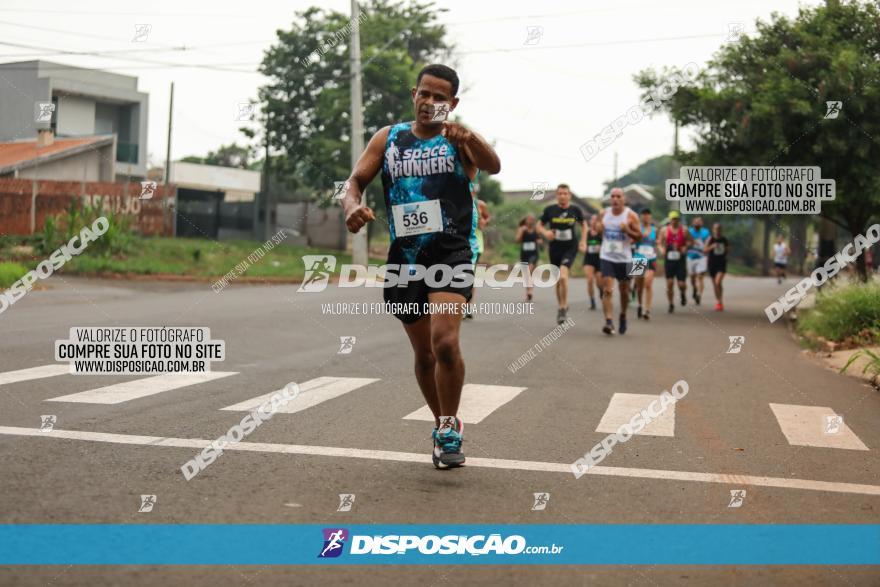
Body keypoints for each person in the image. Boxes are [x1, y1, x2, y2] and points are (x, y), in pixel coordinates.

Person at [342, 63, 501, 469]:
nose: (430, 103)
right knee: (425, 354)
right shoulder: (389, 138)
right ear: (414, 93)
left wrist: (471, 135)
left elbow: (493, 164)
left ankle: (449, 430)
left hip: (452, 252)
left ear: (453, 103)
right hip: (406, 256)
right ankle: (442, 422)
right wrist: (352, 207)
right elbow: (355, 181)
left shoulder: (458, 140)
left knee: (445, 342)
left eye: (440, 98)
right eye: (424, 94)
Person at [539, 184, 587, 324]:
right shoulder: (550, 210)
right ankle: (562, 305)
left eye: (565, 193)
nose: (562, 196)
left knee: (564, 277)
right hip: (555, 248)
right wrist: (545, 232)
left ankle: (562, 307)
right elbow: (539, 225)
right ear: (556, 195)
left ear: (569, 195)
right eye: (560, 193)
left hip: (570, 247)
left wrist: (583, 241)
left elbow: (584, 225)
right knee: (558, 280)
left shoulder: (575, 210)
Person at [597, 188, 642, 335]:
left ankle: (622, 315)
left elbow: (639, 236)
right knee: (607, 289)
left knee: (624, 291)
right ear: (610, 199)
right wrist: (598, 229)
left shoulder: (631, 215)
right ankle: (609, 322)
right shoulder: (604, 214)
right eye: (613, 196)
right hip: (607, 256)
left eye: (618, 196)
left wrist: (627, 230)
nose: (615, 199)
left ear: (624, 199)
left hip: (625, 258)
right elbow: (597, 231)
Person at [658, 210, 691, 313]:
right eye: (672, 219)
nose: (674, 221)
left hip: (680, 259)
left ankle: (682, 294)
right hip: (669, 259)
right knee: (670, 283)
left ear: (679, 220)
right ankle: (671, 304)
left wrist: (686, 247)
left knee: (681, 284)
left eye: (676, 219)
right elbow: (659, 242)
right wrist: (662, 250)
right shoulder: (664, 230)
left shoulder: (684, 230)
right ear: (670, 220)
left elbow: (690, 241)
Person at [463, 197, 490, 320]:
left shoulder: (480, 204)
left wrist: (483, 221)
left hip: (475, 245)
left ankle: (467, 307)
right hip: (458, 243)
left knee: (470, 276)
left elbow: (487, 218)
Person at [633, 208, 657, 321]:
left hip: (651, 258)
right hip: (638, 257)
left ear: (650, 217)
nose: (646, 217)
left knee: (648, 283)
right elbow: (632, 240)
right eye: (644, 215)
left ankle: (647, 310)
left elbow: (658, 243)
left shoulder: (655, 230)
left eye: (648, 215)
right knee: (639, 286)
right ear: (641, 217)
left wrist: (661, 248)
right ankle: (639, 304)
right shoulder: (637, 228)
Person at [516, 214, 542, 302]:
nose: (531, 221)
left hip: (534, 254)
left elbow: (540, 240)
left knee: (529, 271)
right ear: (526, 220)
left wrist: (538, 241)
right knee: (526, 274)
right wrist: (522, 232)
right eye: (529, 219)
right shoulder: (522, 229)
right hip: (524, 254)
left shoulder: (536, 230)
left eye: (532, 219)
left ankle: (530, 291)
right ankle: (528, 292)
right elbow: (517, 240)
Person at [705, 222, 729, 311]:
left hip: (721, 263)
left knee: (718, 282)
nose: (717, 230)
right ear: (713, 230)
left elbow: (729, 249)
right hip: (712, 263)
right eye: (715, 229)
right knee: (715, 284)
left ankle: (720, 300)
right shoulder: (710, 239)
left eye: (719, 229)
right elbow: (705, 250)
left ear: (721, 230)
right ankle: (718, 302)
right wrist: (712, 246)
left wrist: (726, 249)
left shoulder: (724, 239)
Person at [687, 216, 710, 305]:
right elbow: (686, 242)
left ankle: (699, 295)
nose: (697, 223)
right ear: (693, 223)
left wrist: (706, 247)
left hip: (701, 257)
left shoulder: (706, 232)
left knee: (700, 276)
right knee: (692, 278)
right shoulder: (689, 232)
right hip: (691, 256)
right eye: (695, 222)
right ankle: (695, 290)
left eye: (699, 222)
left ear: (702, 223)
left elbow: (708, 242)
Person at [583, 215, 603, 310]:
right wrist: (583, 248)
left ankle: (601, 290)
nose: (594, 222)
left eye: (596, 220)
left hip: (599, 260)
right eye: (592, 220)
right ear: (590, 221)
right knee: (590, 279)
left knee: (599, 282)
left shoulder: (601, 233)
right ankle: (592, 301)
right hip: (589, 259)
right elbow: (581, 244)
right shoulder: (586, 233)